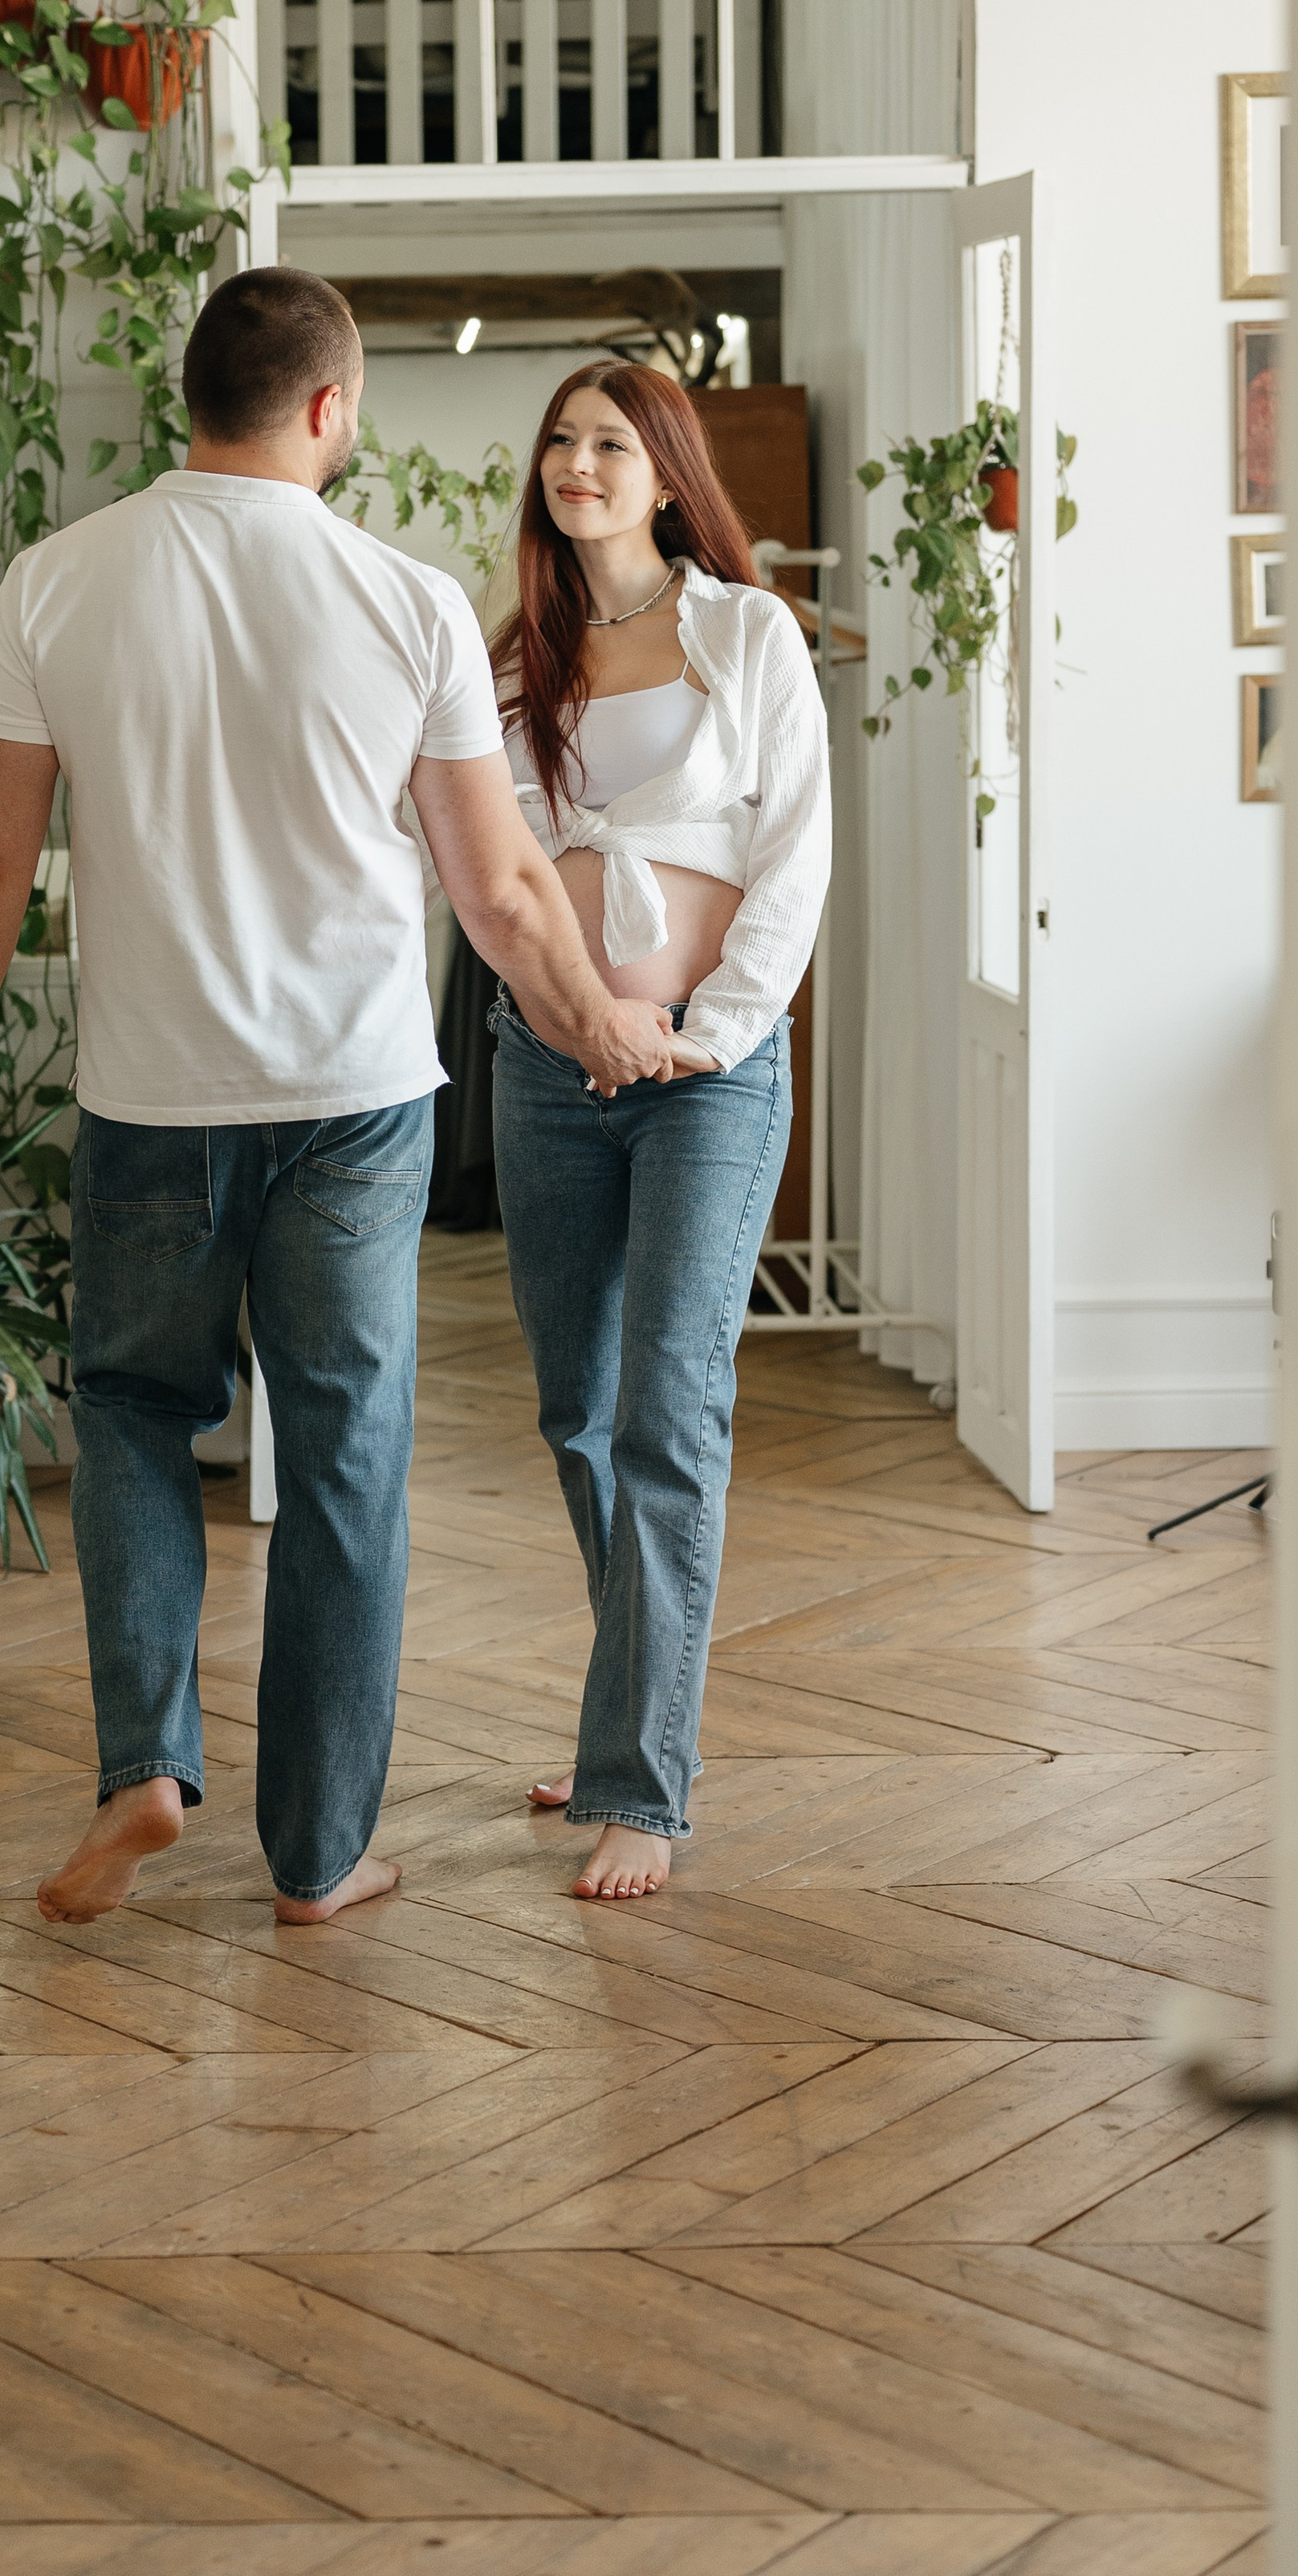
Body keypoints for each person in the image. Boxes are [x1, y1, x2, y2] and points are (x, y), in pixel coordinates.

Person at [0, 270, 658, 1928]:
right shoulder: (401, 599)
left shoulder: (57, 582)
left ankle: (145, 1771)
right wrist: (599, 1024)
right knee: (340, 1453)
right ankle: (318, 1855)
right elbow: (502, 894)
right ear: (326, 408)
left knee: (128, 1409)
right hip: (354, 1097)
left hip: (150, 1097)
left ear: (193, 397)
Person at [489, 360, 830, 1903]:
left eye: (611, 443)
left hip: (703, 1075)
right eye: (561, 441)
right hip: (549, 1070)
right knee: (577, 1412)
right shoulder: (516, 663)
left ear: (669, 471)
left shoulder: (745, 634)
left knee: (667, 1417)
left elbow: (793, 862)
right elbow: (489, 878)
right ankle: (628, 1706)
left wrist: (704, 1033)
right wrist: (582, 1021)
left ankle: (645, 1785)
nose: (577, 464)